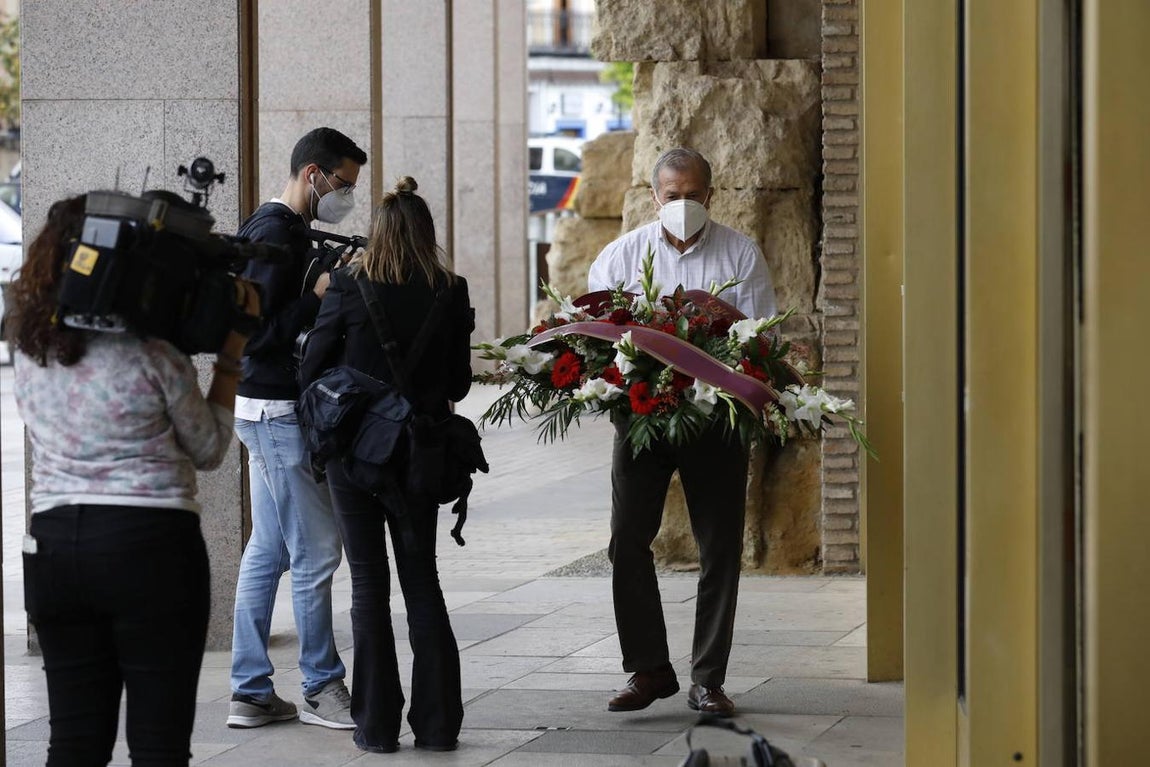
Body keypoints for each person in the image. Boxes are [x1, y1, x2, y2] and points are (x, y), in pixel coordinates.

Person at [8, 195, 260, 765]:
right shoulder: (154, 355)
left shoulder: (29, 350)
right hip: (150, 549)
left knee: (73, 743)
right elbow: (209, 449)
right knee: (158, 745)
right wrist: (230, 358)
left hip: (54, 549)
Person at [587, 147, 778, 718]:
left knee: (719, 547)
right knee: (626, 540)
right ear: (655, 197)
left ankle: (708, 680)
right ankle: (648, 669)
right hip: (642, 418)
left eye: (694, 195)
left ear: (711, 195)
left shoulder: (741, 255)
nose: (684, 204)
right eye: (674, 195)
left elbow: (760, 341)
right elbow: (598, 341)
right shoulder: (621, 257)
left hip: (716, 423)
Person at [299, 176, 474, 754]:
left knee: (368, 586)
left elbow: (313, 367)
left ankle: (375, 728)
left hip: (355, 453)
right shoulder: (450, 289)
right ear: (427, 234)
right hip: (420, 454)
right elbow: (458, 383)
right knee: (422, 581)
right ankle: (439, 726)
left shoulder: (348, 285)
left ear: (376, 233)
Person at [227, 127, 367, 730]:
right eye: (342, 183)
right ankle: (321, 686)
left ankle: (251, 691)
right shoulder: (275, 232)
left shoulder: (283, 229)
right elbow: (254, 334)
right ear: (313, 174)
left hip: (264, 409)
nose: (346, 196)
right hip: (275, 411)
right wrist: (318, 296)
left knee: (270, 549)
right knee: (316, 551)